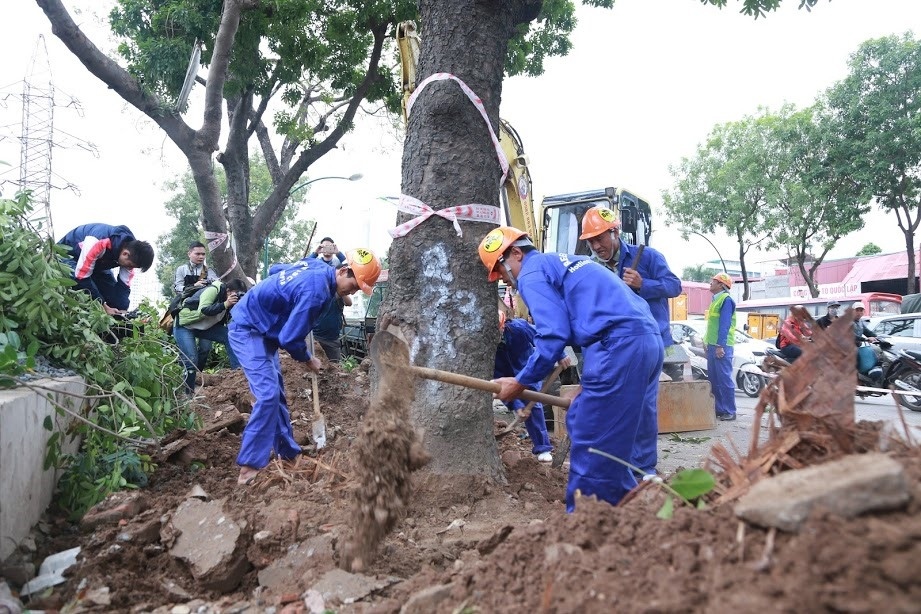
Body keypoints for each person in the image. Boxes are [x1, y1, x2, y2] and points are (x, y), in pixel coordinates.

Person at [480, 226, 663, 511]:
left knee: (591, 434)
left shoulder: (531, 272)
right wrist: (588, 383)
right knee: (618, 432)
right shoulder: (563, 263)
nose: (506, 280)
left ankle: (582, 522)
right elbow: (597, 320)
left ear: (515, 253)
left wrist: (519, 383)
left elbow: (553, 335)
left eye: (501, 272)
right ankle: (637, 508)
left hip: (620, 346)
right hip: (643, 341)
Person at [229, 248, 381, 485]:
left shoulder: (318, 266)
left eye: (358, 289)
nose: (352, 291)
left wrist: (285, 296)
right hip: (248, 329)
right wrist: (309, 359)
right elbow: (289, 338)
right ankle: (249, 467)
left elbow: (275, 269)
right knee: (268, 395)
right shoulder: (316, 293)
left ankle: (288, 453)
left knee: (276, 394)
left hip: (264, 329)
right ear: (343, 270)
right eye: (353, 284)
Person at [494, 311, 554, 463]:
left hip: (528, 370)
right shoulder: (489, 350)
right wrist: (516, 405)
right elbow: (497, 379)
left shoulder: (519, 327)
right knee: (520, 405)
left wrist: (560, 355)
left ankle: (543, 448)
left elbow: (543, 337)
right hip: (505, 376)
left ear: (504, 326)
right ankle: (520, 409)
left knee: (533, 405)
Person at [57, 223, 154, 315]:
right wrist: (103, 306)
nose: (130, 269)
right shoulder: (98, 241)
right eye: (130, 265)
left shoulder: (131, 256)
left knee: (119, 303)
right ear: (125, 254)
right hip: (66, 255)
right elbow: (82, 277)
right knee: (78, 281)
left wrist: (122, 311)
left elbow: (123, 289)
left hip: (95, 266)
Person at [173, 278, 246, 395]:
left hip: (202, 327)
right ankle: (187, 393)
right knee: (191, 358)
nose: (237, 296)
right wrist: (225, 304)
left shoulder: (232, 303)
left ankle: (238, 374)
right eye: (235, 294)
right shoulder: (213, 290)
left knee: (229, 335)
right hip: (184, 326)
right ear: (228, 290)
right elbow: (204, 310)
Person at [307, 239, 353, 362]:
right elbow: (305, 265)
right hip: (316, 335)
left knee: (334, 368)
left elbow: (352, 268)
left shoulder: (339, 270)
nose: (327, 249)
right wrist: (315, 252)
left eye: (330, 247)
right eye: (324, 247)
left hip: (332, 337)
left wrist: (338, 253)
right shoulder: (317, 268)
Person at [706, 273, 737, 421]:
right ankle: (719, 409)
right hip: (713, 345)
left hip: (722, 346)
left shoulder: (726, 300)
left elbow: (724, 325)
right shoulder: (716, 300)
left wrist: (720, 345)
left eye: (714, 281)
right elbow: (713, 326)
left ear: (721, 285)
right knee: (714, 378)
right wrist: (708, 343)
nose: (711, 283)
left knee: (724, 378)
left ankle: (730, 410)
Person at [852, 302, 882, 380]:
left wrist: (877, 337)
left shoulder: (860, 321)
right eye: (857, 310)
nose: (859, 312)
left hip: (856, 346)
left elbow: (867, 331)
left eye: (861, 310)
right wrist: (866, 339)